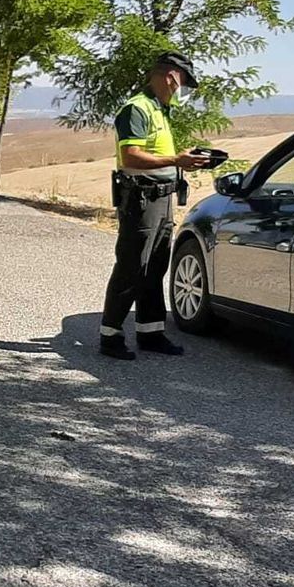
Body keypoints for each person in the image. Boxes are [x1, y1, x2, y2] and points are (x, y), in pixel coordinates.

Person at [98, 51, 210, 361]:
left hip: (163, 198)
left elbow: (157, 156)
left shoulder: (161, 110)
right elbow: (131, 156)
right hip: (141, 198)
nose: (184, 91)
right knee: (132, 265)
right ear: (172, 76)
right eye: (184, 82)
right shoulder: (136, 109)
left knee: (156, 266)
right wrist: (176, 160)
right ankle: (111, 335)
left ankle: (151, 333)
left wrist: (183, 164)